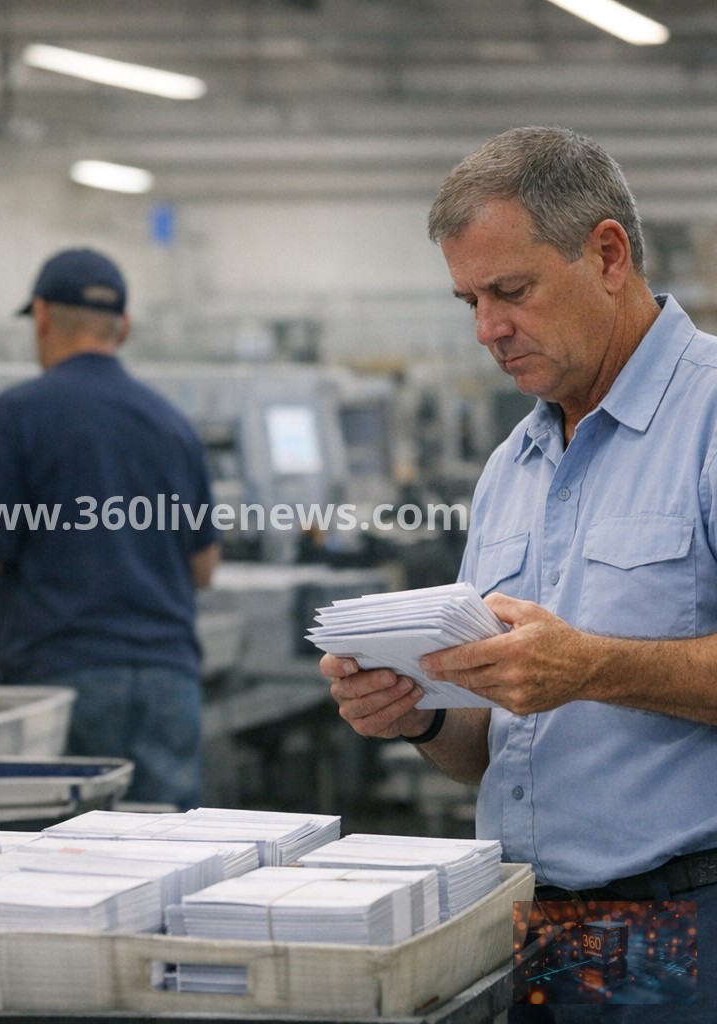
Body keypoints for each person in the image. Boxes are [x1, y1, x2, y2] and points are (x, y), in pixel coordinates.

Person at [321, 127, 717, 1022]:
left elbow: (574, 673)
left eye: (510, 291)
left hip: (688, 919)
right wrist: (419, 712)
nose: (487, 329)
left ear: (608, 254)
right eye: (468, 300)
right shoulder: (514, 464)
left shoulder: (710, 419)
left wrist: (592, 667)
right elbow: (492, 749)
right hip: (537, 923)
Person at [0, 247, 221, 810]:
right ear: (123, 327)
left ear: (41, 315)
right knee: (162, 866)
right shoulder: (171, 422)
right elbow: (204, 566)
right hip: (170, 682)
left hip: (66, 682)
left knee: (72, 873)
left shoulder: (18, 414)